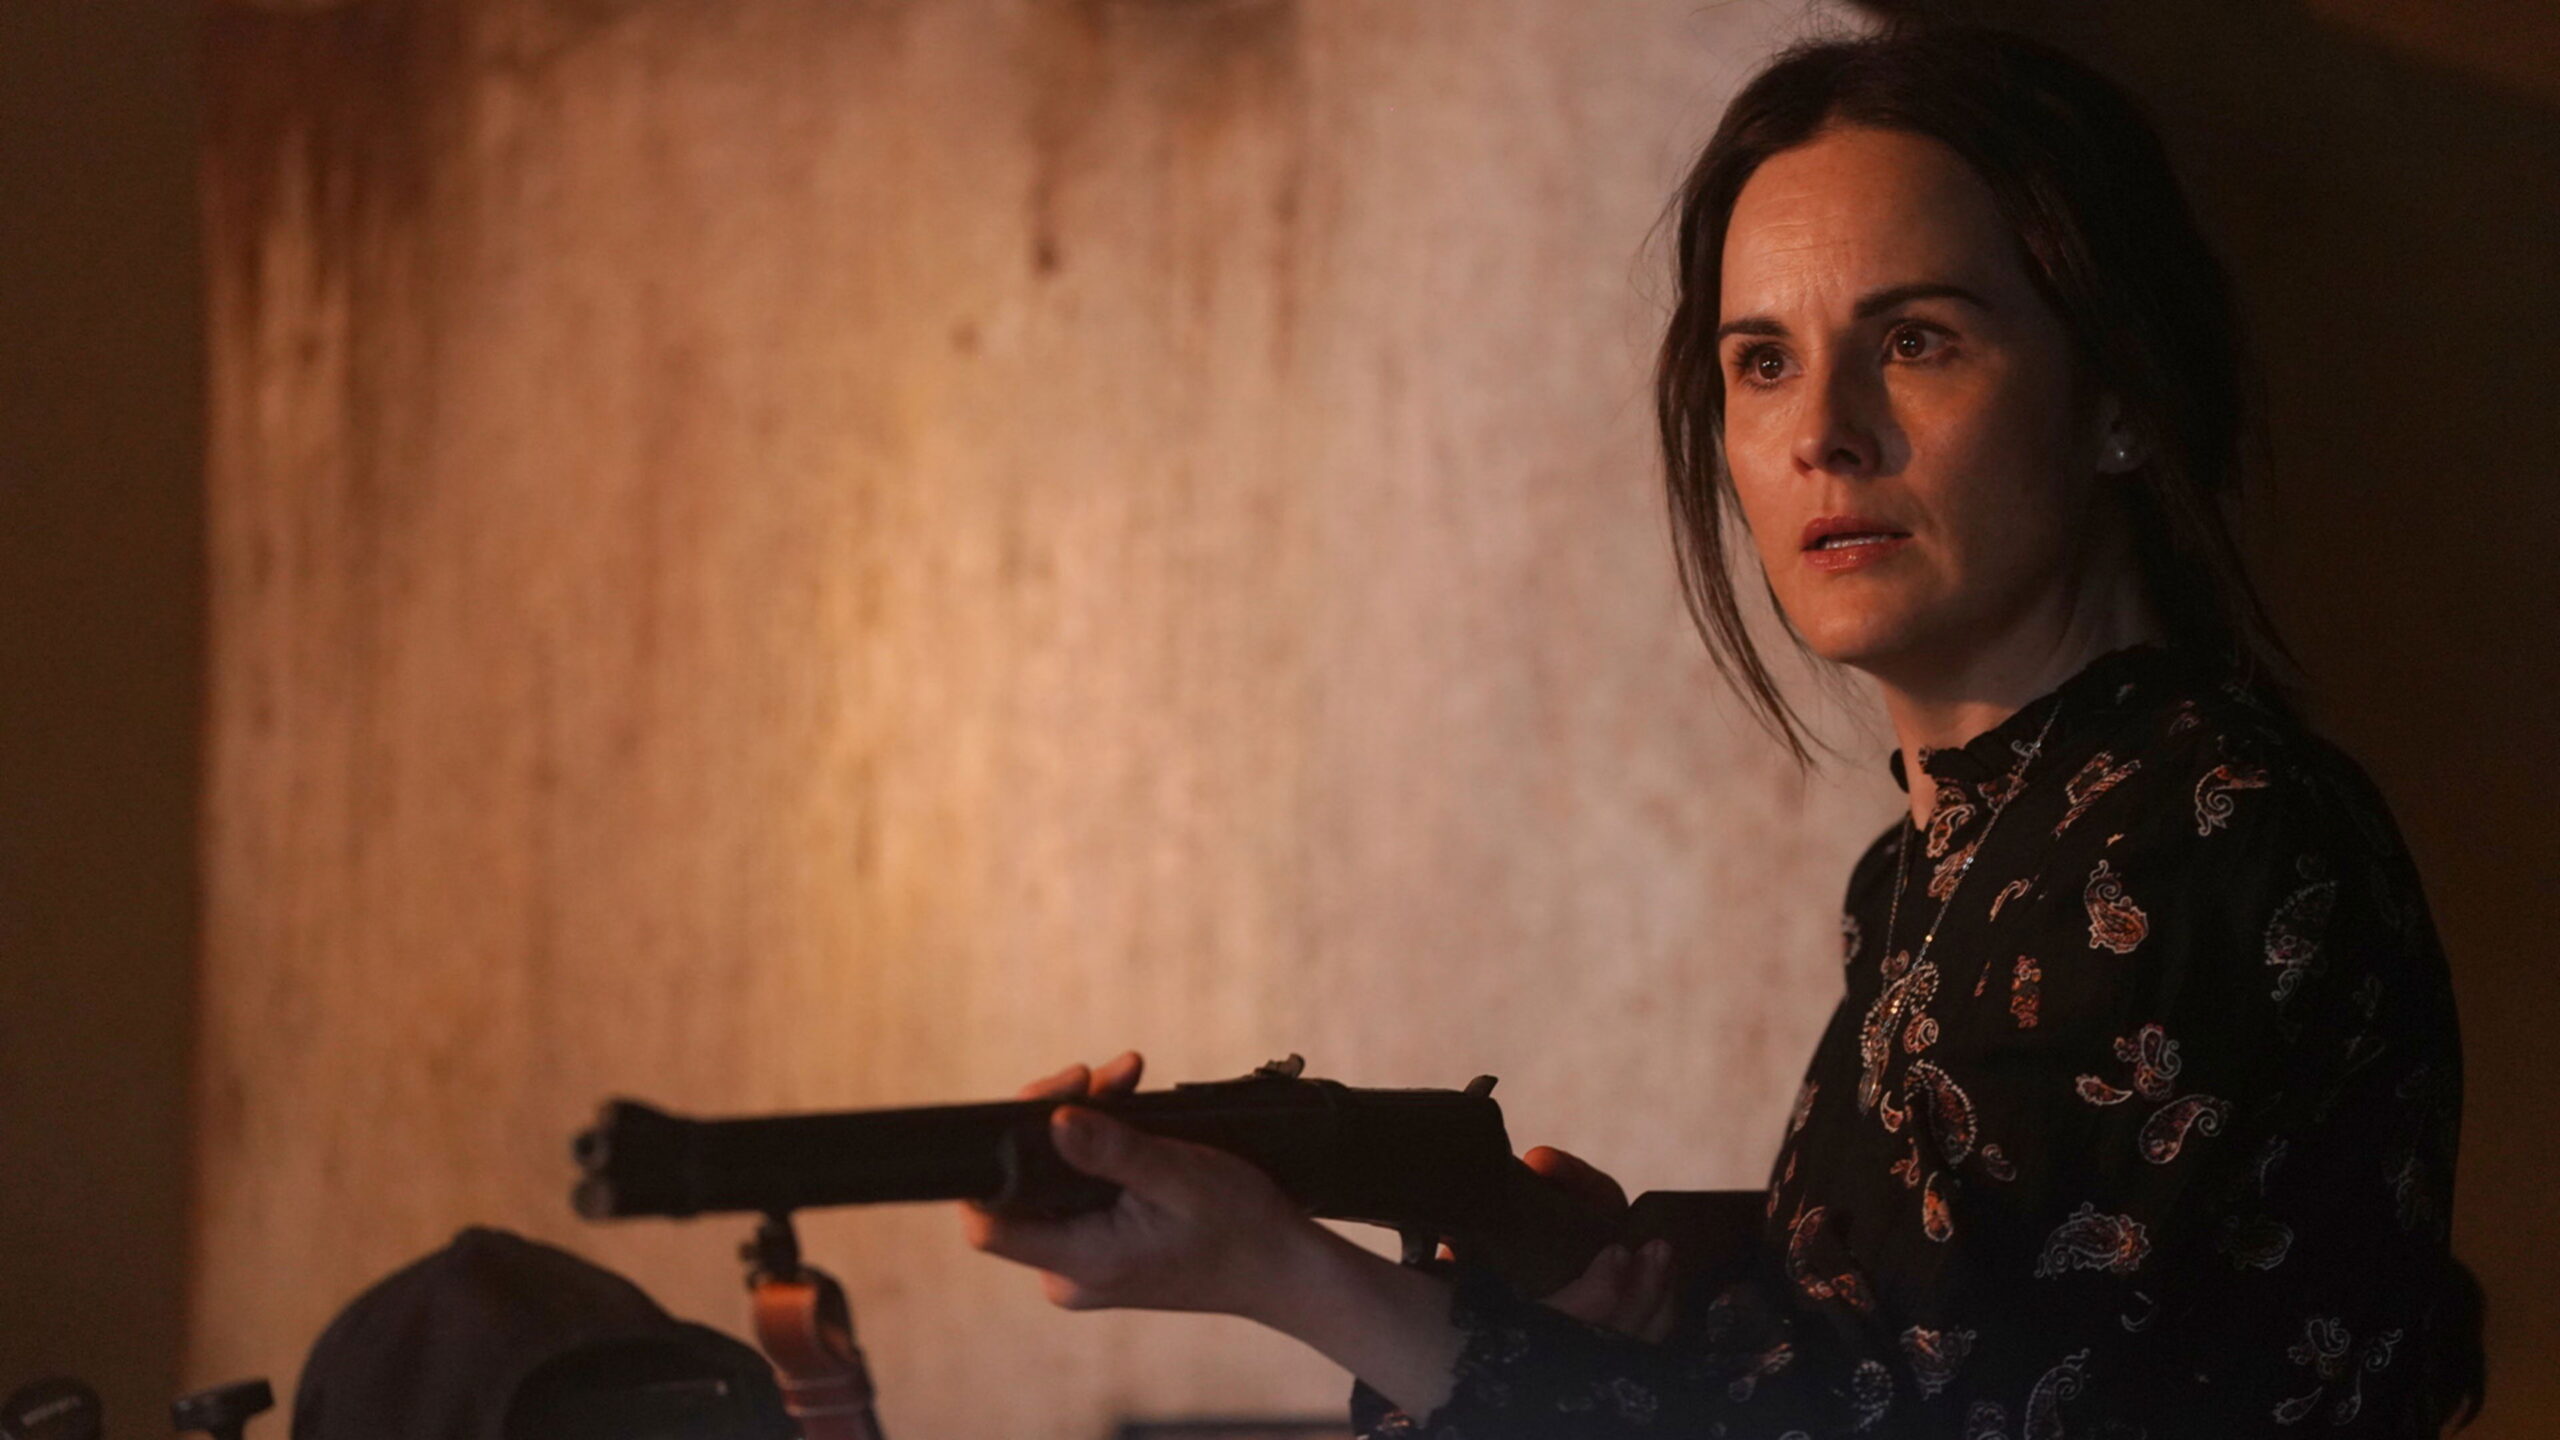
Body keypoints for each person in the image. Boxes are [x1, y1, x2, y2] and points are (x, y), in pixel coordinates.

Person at [963, 24, 2475, 1438]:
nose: (1821, 431)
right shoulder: (1938, 868)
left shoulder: (2195, 824)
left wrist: (1285, 1272)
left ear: (2120, 398)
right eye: (1763, 362)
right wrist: (1652, 1291)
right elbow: (1919, 1350)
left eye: (1917, 340)